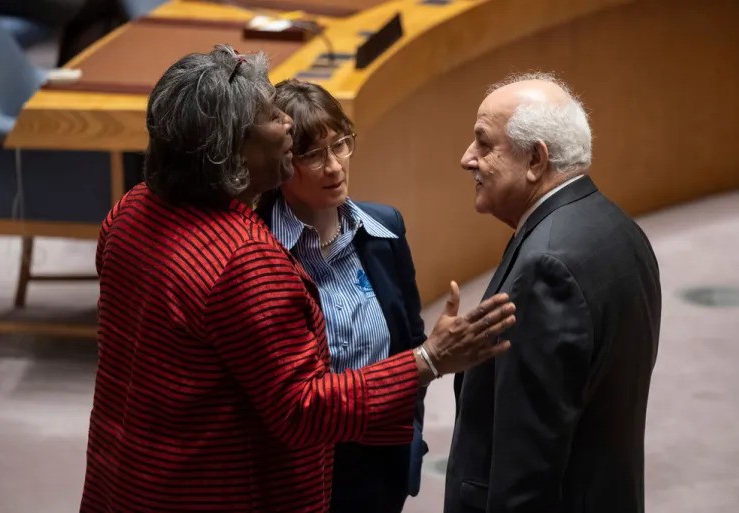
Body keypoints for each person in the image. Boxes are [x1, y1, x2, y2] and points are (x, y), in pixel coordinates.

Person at [80, 45, 517, 513]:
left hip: (124, 484)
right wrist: (430, 359)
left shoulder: (131, 210)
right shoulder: (246, 261)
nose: (287, 123)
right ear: (232, 149)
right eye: (271, 116)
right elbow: (303, 409)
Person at [445, 73, 661, 513]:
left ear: (536, 160)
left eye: (484, 144)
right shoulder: (619, 229)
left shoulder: (546, 269)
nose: (467, 159)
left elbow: (527, 468)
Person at [256, 79, 424, 513]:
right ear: (281, 164)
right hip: (298, 471)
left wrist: (411, 434)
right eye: (312, 155)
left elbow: (411, 340)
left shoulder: (385, 229)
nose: (334, 166)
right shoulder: (256, 248)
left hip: (381, 463)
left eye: (341, 145)